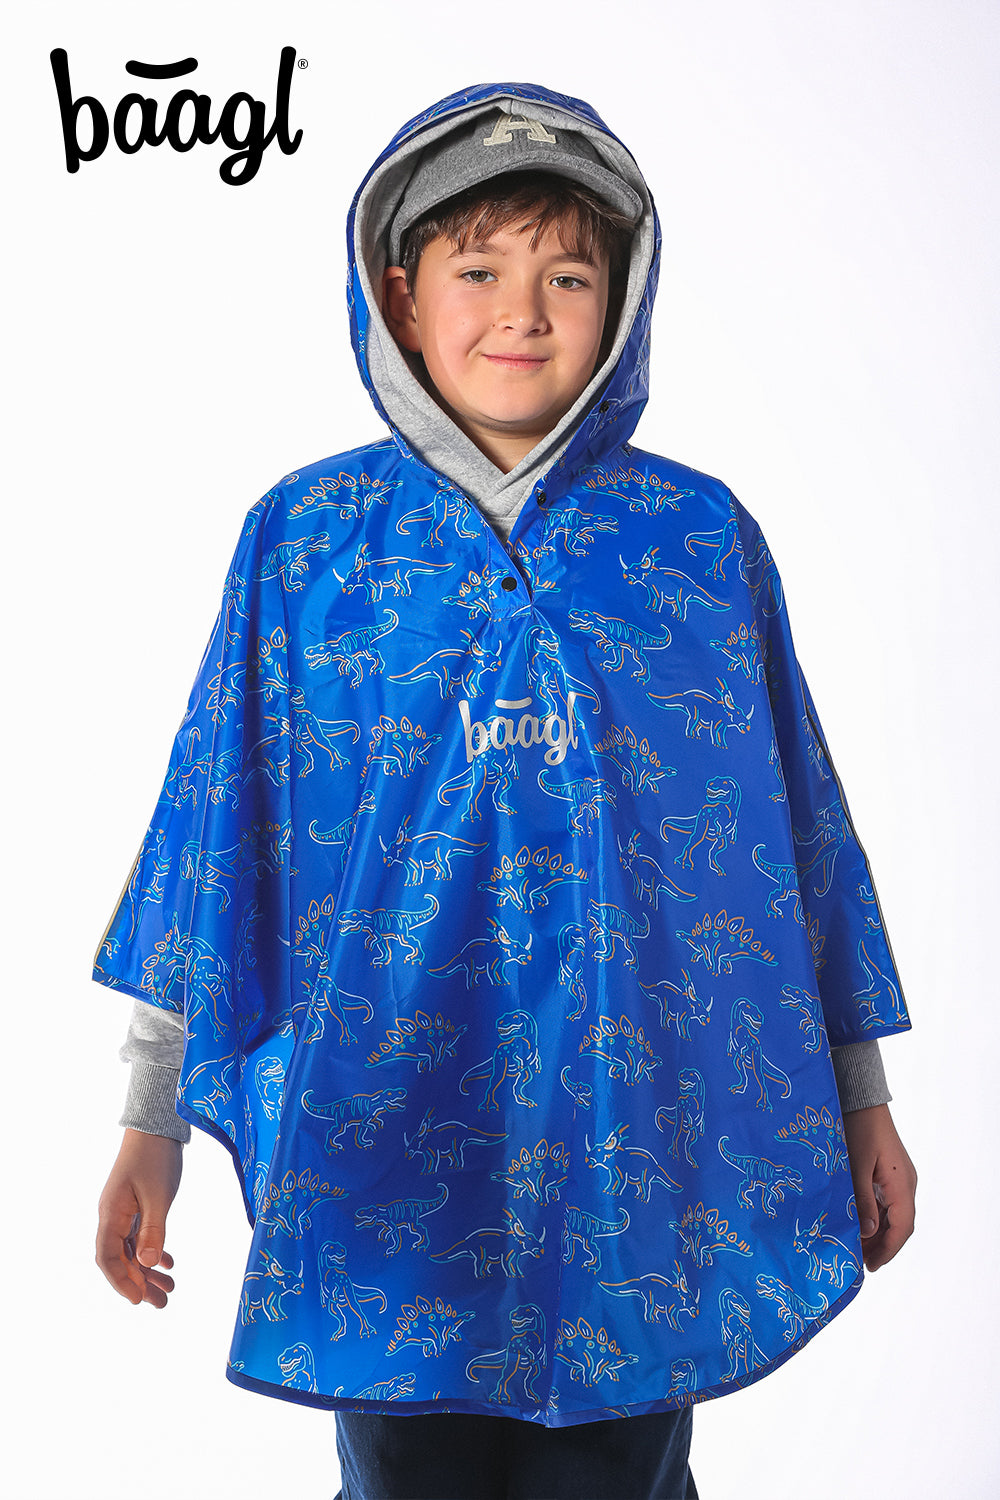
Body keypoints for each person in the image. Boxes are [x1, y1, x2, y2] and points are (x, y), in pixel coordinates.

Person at [95, 83, 917, 1500]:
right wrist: (150, 1117)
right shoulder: (308, 546)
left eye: (569, 278)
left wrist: (860, 1098)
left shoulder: (694, 544)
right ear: (401, 299)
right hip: (389, 1151)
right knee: (405, 1473)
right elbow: (218, 834)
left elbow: (790, 844)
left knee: (626, 1473)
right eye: (478, 271)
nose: (522, 313)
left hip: (637, 1150)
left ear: (625, 300)